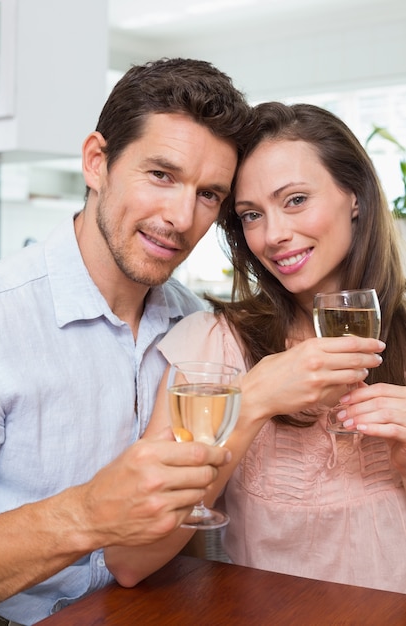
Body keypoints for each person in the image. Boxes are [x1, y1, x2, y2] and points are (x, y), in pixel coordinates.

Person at [0, 57, 253, 624]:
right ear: (96, 162)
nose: (181, 217)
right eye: (161, 175)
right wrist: (86, 514)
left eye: (209, 194)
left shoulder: (198, 327)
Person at [121, 101, 406, 594]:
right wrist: (250, 402)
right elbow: (131, 560)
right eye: (252, 214)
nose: (273, 235)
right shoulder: (214, 344)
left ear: (354, 195)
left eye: (295, 200)